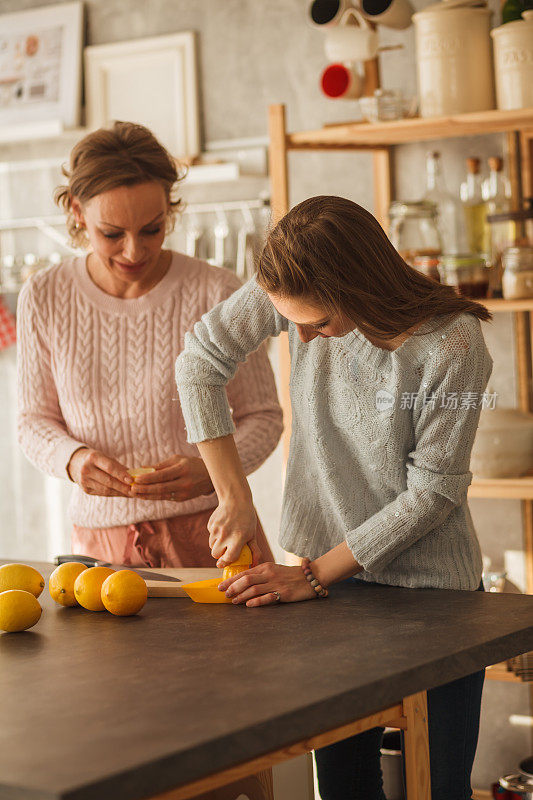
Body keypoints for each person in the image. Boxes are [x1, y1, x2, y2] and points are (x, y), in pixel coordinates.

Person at [175, 195, 494, 799]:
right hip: (325, 593)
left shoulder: (453, 345)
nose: (302, 337)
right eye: (290, 320)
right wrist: (234, 496)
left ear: (359, 286)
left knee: (442, 788)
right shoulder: (290, 287)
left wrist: (315, 575)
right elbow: (199, 363)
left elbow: (434, 493)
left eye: (318, 324)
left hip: (435, 599)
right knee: (344, 786)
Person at [17, 121, 282, 568]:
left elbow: (264, 416)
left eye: (152, 229)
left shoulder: (216, 292)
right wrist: (72, 460)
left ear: (169, 211)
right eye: (112, 234)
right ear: (78, 212)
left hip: (215, 533)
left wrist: (214, 473)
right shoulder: (44, 296)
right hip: (99, 547)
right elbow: (32, 421)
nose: (135, 251)